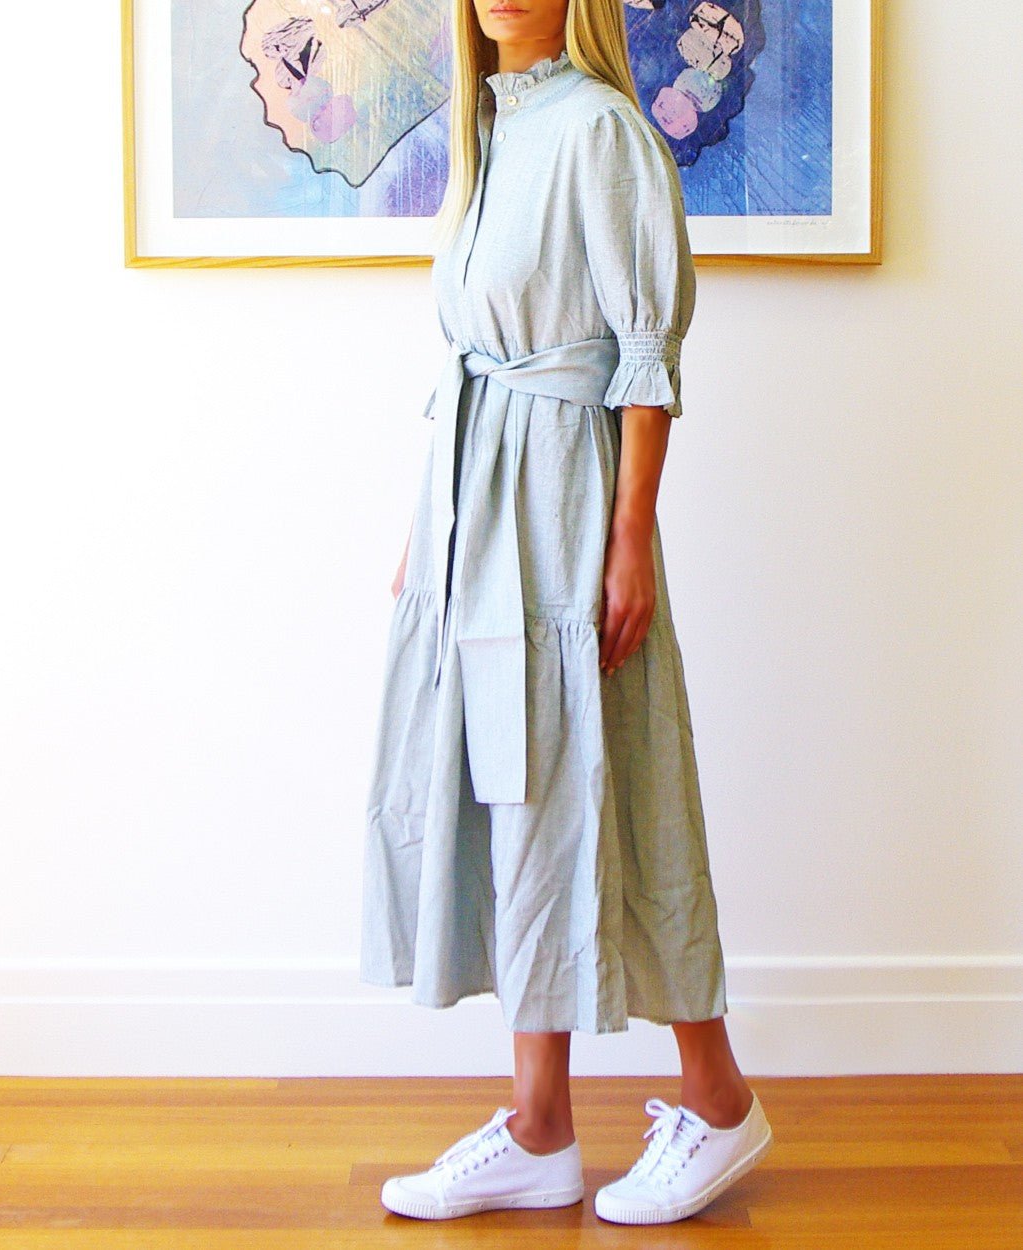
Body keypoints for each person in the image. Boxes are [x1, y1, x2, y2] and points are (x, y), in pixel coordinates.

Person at [359, 0, 773, 1225]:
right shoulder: (488, 133)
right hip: (473, 511)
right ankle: (539, 1125)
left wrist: (629, 537)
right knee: (506, 794)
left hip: (564, 506)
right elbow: (471, 364)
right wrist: (424, 536)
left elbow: (643, 354)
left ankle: (716, 1097)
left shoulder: (601, 131)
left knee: (608, 783)